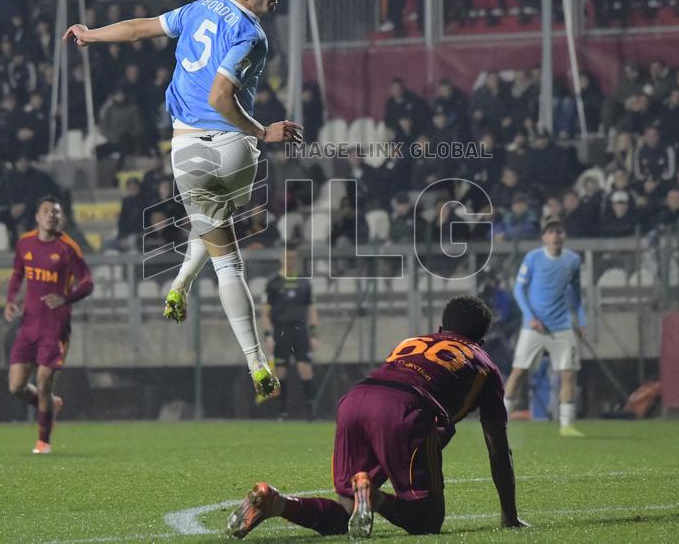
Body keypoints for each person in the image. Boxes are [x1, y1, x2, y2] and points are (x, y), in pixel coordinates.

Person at [63, 0, 301, 401]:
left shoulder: (199, 8)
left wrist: (90, 34)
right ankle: (228, 333)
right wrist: (261, 130)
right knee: (221, 241)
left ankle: (240, 345)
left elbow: (138, 29)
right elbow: (221, 95)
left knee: (219, 241)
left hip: (188, 148)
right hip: (234, 150)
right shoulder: (252, 34)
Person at [227, 295, 527, 539]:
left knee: (346, 513)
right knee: (428, 521)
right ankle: (374, 496)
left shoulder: (414, 341)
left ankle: (276, 502)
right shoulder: (484, 364)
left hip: (356, 400)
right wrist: (509, 515)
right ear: (482, 341)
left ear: (439, 327)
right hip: (403, 409)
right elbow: (498, 447)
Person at [5, 196, 94, 454]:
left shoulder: (68, 247)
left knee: (43, 381)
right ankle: (51, 405)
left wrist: (65, 298)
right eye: (46, 211)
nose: (51, 215)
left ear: (60, 217)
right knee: (16, 387)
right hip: (29, 325)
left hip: (55, 327)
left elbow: (88, 283)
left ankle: (43, 442)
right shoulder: (25, 243)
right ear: (37, 216)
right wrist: (11, 300)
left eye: (56, 212)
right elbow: (17, 274)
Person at [506, 219, 586, 436]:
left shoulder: (573, 260)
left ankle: (566, 425)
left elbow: (577, 294)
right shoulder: (533, 258)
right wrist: (530, 317)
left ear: (564, 236)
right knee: (519, 371)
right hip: (533, 327)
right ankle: (500, 420)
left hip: (562, 326)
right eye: (551, 232)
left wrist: (582, 320)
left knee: (568, 374)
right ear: (544, 237)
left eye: (559, 232)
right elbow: (519, 290)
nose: (555, 236)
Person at [262, 245, 317, 419]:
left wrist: (314, 333)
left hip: (300, 330)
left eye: (293, 258)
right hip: (281, 331)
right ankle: (282, 411)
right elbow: (265, 312)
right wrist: (268, 335)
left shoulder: (304, 282)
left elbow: (311, 308)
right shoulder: (273, 282)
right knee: (280, 369)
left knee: (305, 367)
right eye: (287, 257)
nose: (290, 261)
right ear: (281, 258)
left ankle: (310, 411)